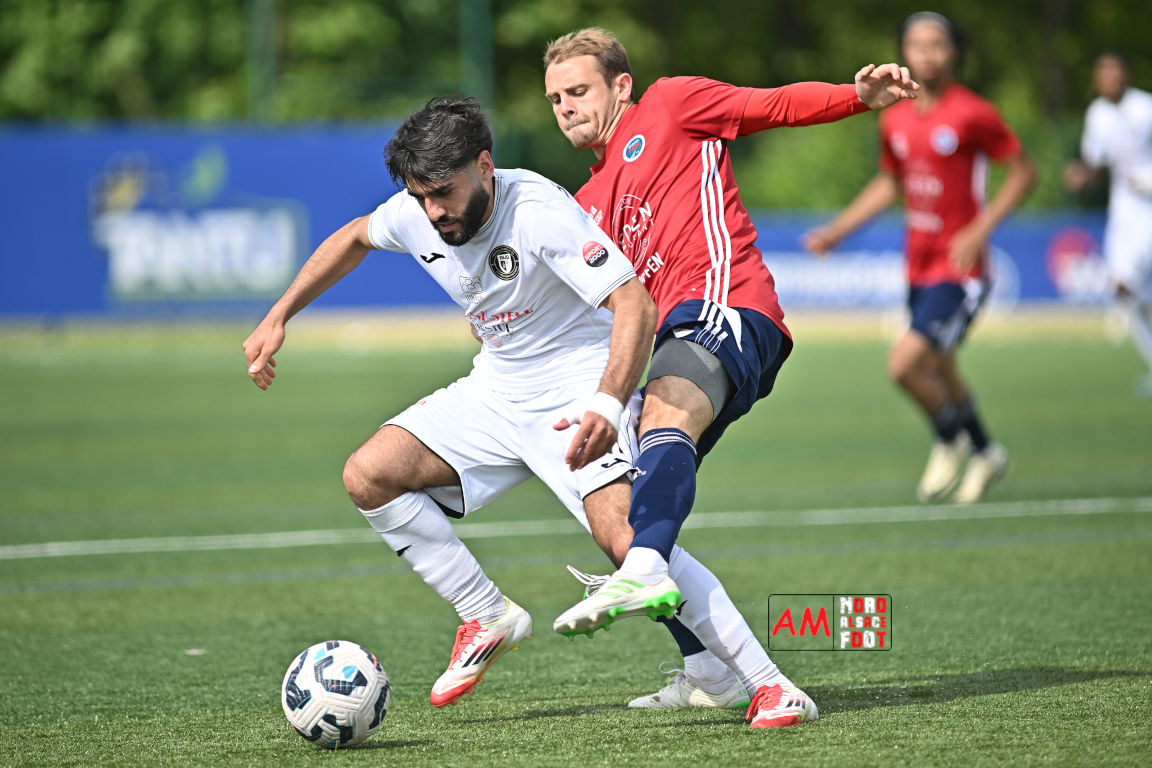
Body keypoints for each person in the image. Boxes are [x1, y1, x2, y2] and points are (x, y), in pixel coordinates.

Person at [542, 26, 918, 726]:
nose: (565, 106)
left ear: (621, 86)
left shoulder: (672, 103)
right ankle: (709, 667)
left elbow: (771, 105)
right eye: (555, 98)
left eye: (579, 90)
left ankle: (654, 577)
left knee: (662, 417)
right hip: (679, 340)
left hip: (728, 305)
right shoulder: (583, 204)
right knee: (615, 509)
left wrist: (855, 96)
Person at [243, 96, 658, 709]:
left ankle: (754, 680)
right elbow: (354, 236)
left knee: (630, 547)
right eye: (420, 197)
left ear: (483, 165)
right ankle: (486, 614)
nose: (432, 211)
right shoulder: (416, 211)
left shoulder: (537, 209)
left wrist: (609, 400)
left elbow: (634, 304)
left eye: (443, 192)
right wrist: (279, 314)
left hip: (574, 387)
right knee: (368, 474)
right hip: (496, 389)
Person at [803, 12, 1036, 504]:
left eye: (937, 44)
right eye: (916, 44)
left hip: (960, 269)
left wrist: (980, 230)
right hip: (920, 265)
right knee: (942, 366)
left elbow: (1023, 172)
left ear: (955, 52)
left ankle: (950, 438)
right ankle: (986, 451)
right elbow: (890, 183)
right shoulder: (895, 116)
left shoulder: (973, 113)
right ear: (903, 52)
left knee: (905, 364)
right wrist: (837, 233)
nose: (927, 54)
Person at [1064, 52, 1152, 397]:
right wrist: (1082, 175)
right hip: (1122, 212)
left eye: (1115, 72)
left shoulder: (1145, 108)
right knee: (1124, 291)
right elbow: (1097, 165)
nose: (1109, 79)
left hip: (1149, 210)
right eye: (1103, 73)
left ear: (1127, 75)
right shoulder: (1097, 114)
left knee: (1126, 283)